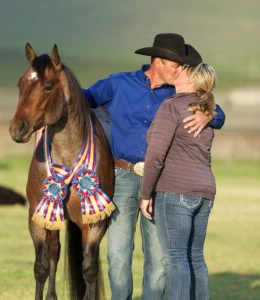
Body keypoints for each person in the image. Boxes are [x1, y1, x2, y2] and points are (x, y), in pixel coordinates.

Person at [84, 33, 225, 300]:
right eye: (178, 65)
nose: (183, 70)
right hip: (122, 176)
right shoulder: (118, 83)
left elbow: (220, 113)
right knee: (118, 253)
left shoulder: (180, 92)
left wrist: (210, 114)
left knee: (160, 259)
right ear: (159, 62)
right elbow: (84, 98)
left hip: (162, 181)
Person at [140, 58, 218, 300]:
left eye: (184, 69)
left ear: (192, 79)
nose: (178, 70)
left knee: (176, 259)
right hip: (204, 192)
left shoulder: (171, 107)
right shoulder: (203, 111)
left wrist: (145, 194)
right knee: (195, 257)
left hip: (175, 192)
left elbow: (155, 156)